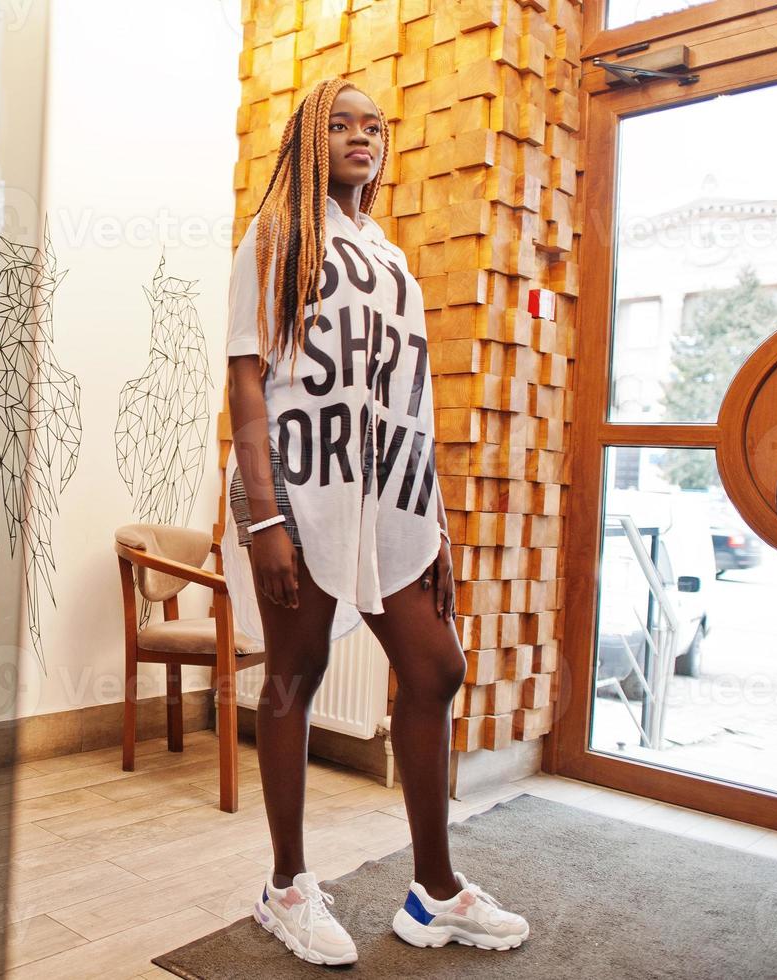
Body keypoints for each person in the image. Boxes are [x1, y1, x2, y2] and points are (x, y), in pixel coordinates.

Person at [221, 78, 531, 965]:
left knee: (435, 667)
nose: (364, 136)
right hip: (301, 488)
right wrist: (262, 517)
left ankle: (433, 892)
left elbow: (411, 403)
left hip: (388, 493)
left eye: (376, 126)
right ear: (310, 141)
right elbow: (247, 379)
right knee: (296, 671)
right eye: (343, 125)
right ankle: (285, 885)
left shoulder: (390, 256)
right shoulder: (276, 235)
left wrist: (432, 521)